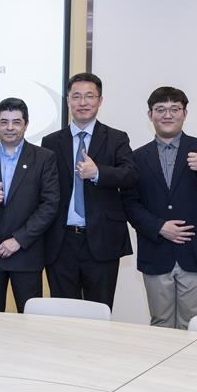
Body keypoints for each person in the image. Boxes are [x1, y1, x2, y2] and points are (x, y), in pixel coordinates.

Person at [123, 87, 197, 329]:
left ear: (185, 113)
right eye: (160, 109)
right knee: (161, 322)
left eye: (174, 109)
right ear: (150, 114)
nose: (167, 115)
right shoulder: (136, 157)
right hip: (156, 250)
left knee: (193, 323)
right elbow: (129, 204)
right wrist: (159, 227)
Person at [41, 72, 138, 309]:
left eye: (89, 96)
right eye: (76, 97)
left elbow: (131, 175)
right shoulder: (51, 141)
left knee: (99, 312)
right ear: (68, 101)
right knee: (63, 314)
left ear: (100, 100)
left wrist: (98, 173)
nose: (82, 103)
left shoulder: (116, 138)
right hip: (60, 242)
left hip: (102, 240)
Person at [0, 98, 60, 312]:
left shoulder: (44, 158)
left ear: (26, 125)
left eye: (16, 122)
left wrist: (18, 240)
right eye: (4, 122)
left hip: (27, 253)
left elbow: (50, 205)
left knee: (29, 320)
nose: (10, 128)